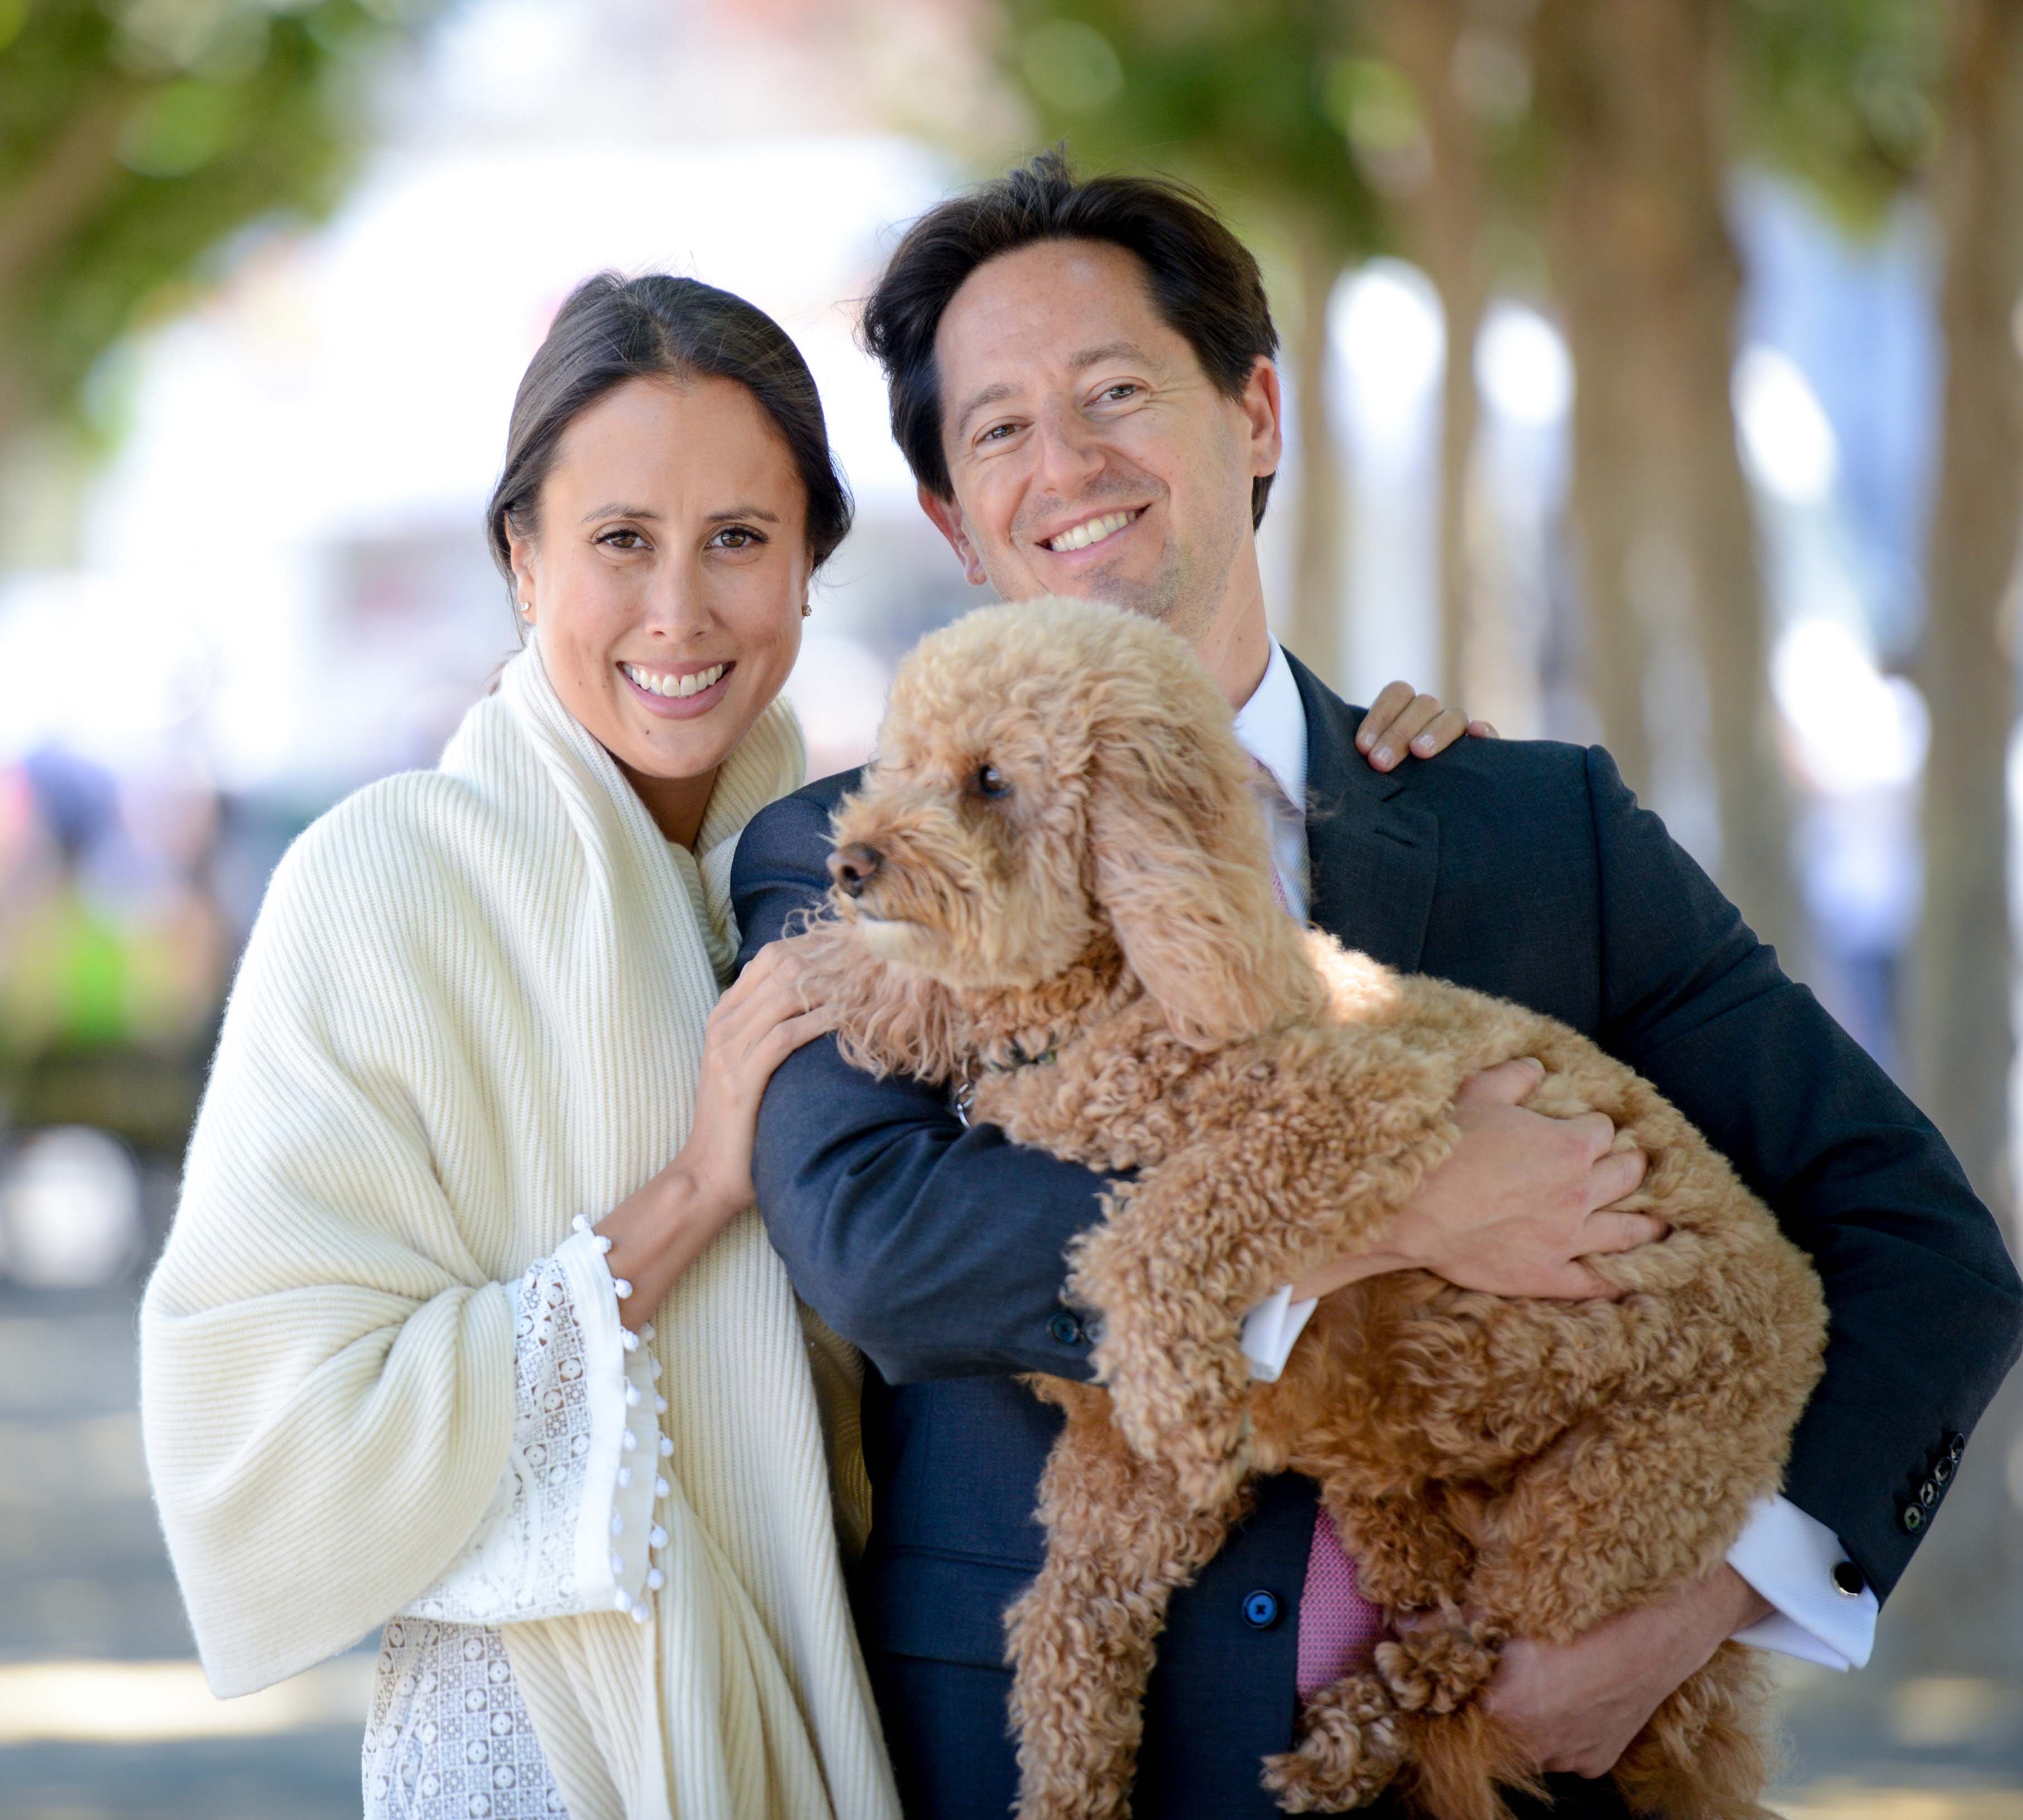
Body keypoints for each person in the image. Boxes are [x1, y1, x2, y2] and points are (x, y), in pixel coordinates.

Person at [732, 151, 2023, 1820]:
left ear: (1257, 414)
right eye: (997, 431)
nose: (1066, 463)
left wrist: (1699, 1606)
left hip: (1531, 1764)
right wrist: (1404, 1212)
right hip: (1070, 1762)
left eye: (1117, 390)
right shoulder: (839, 857)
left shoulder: (1536, 823)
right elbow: (886, 1247)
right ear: (952, 523)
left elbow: (1923, 1243)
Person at [140, 268, 1476, 1820]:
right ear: (521, 558)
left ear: (809, 568)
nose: (679, 613)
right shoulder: (390, 883)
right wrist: (700, 1189)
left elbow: (1150, 1079)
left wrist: (1364, 767)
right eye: (619, 542)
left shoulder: (878, 861)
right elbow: (277, 1442)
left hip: (872, 1724)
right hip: (554, 1745)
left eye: (739, 542)